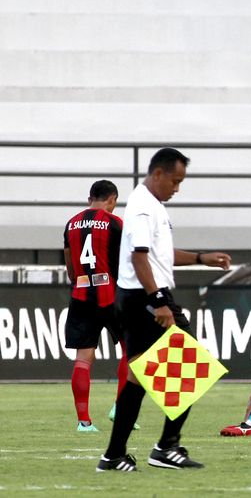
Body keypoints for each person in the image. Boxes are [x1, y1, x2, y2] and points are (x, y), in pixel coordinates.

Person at [96, 148, 231, 472]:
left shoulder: (148, 203)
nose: (177, 188)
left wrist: (200, 258)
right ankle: (165, 448)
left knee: (137, 378)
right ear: (158, 174)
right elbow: (139, 258)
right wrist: (159, 302)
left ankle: (114, 456)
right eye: (175, 180)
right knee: (193, 368)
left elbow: (157, 254)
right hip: (147, 299)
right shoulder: (143, 207)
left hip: (138, 298)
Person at [64, 180, 134, 432]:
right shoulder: (115, 223)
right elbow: (127, 261)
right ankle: (120, 408)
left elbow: (70, 267)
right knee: (130, 351)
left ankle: (84, 421)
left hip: (81, 295)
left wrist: (80, 281)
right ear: (112, 199)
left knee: (83, 359)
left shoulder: (71, 223)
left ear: (89, 198)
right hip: (112, 295)